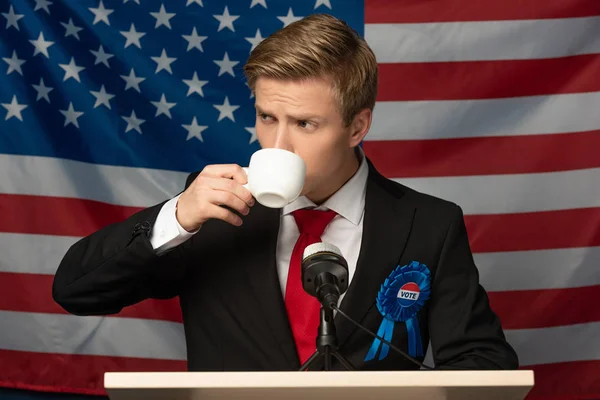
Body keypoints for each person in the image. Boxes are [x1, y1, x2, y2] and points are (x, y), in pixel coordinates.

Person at [52, 13, 518, 371]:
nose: (277, 144)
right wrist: (176, 217)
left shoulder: (430, 225)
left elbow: (484, 364)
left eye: (305, 124)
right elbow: (75, 291)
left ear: (358, 126)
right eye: (267, 118)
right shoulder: (208, 208)